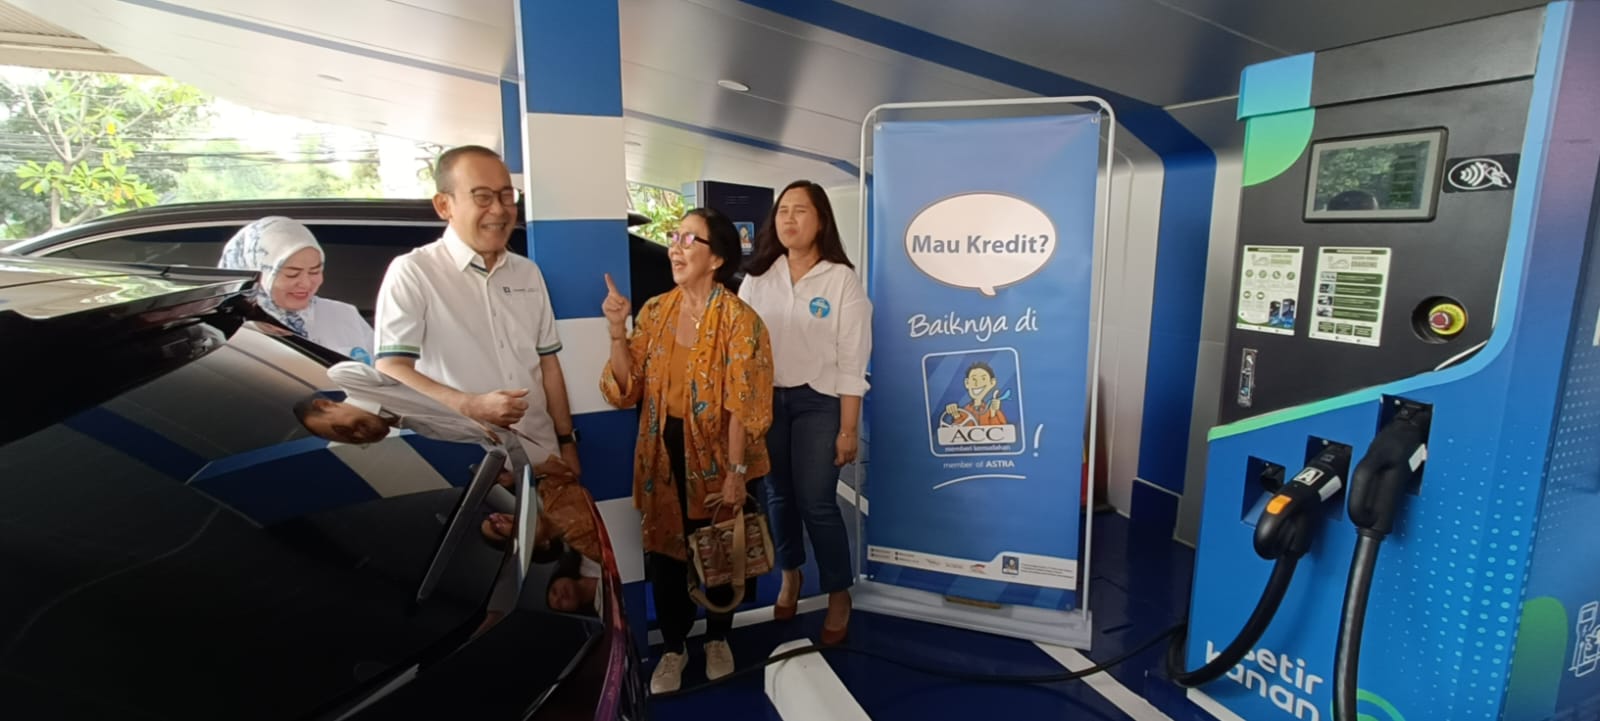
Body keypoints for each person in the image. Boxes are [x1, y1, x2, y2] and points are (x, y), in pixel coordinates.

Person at [599, 207, 774, 693]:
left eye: (689, 239)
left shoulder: (740, 320)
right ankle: (674, 648)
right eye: (674, 237)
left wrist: (735, 473)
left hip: (722, 453)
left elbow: (743, 405)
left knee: (719, 547)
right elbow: (626, 388)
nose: (675, 247)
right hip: (662, 450)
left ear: (716, 258)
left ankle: (718, 637)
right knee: (666, 554)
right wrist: (616, 329)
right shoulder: (656, 311)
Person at [373, 145, 582, 476]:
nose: (498, 209)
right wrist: (470, 405)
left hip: (542, 458)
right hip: (467, 465)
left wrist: (566, 442)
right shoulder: (414, 271)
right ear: (444, 205)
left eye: (506, 196)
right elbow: (391, 369)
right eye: (482, 197)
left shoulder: (527, 272)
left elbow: (548, 365)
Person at [737, 180, 869, 645]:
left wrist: (848, 429)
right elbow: (740, 352)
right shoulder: (758, 278)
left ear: (821, 220)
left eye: (800, 211)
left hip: (820, 401)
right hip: (767, 402)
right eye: (783, 211)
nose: (789, 219)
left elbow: (852, 361)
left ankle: (838, 591)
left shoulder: (841, 280)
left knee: (816, 500)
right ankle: (790, 574)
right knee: (778, 496)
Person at [219, 216, 375, 363]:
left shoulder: (344, 316)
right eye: (292, 274)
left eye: (314, 271)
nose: (306, 283)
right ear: (259, 274)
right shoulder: (231, 331)